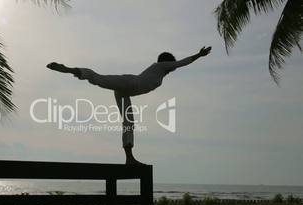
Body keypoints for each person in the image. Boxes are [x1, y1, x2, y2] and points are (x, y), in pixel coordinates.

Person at [47, 46, 212, 165]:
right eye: (171, 65)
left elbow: (177, 66)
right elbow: (181, 63)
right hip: (130, 82)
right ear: (167, 62)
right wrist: (199, 55)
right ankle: (70, 69)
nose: (173, 68)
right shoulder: (161, 66)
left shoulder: (160, 72)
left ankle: (129, 158)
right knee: (100, 79)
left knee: (128, 123)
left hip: (125, 91)